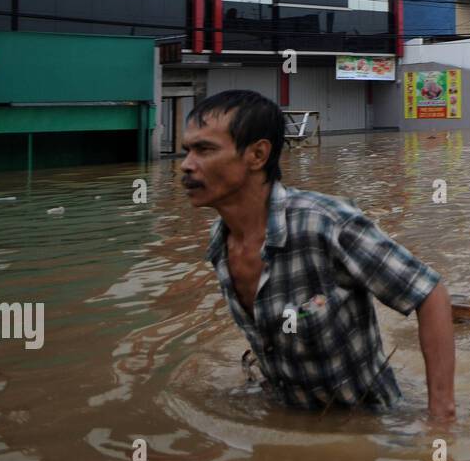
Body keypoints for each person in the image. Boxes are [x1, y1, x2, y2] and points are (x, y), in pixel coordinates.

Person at [181, 90, 456, 419]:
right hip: (288, 420)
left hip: (368, 425)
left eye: (204, 150)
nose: (186, 165)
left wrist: (441, 417)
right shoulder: (220, 243)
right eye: (187, 151)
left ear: (257, 155)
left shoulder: (326, 224)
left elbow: (430, 295)